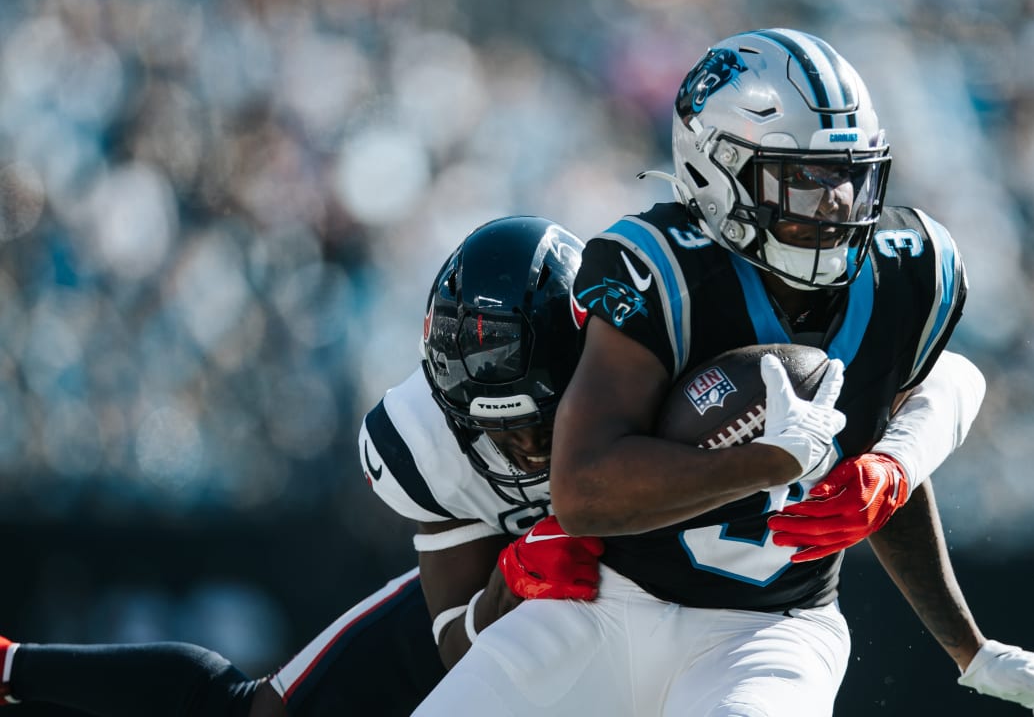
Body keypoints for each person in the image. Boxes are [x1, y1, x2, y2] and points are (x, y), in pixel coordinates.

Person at [415, 28, 1034, 717]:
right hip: (608, 604)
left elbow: (886, 456)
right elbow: (584, 490)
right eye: (806, 178)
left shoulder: (907, 270)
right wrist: (763, 464)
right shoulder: (661, 270)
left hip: (773, 631)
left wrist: (969, 648)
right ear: (718, 171)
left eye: (849, 173)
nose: (838, 202)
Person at [0, 216, 604, 716]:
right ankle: (11, 667)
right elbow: (454, 639)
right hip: (502, 582)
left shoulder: (634, 381)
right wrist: (517, 579)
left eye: (538, 426)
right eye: (497, 430)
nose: (523, 450)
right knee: (258, 711)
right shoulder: (424, 437)